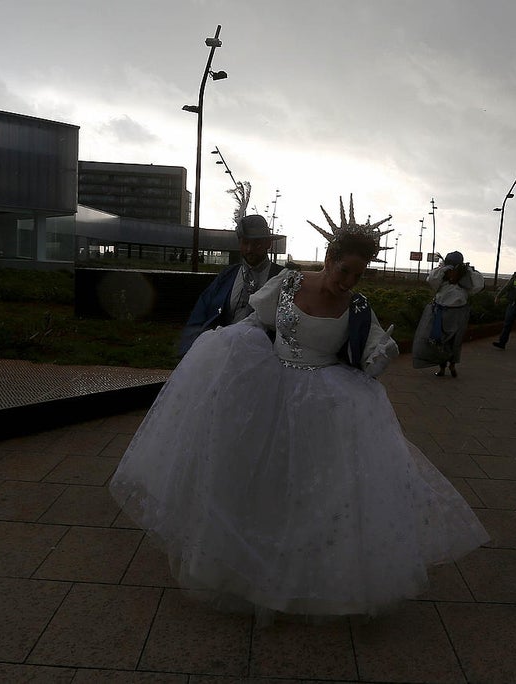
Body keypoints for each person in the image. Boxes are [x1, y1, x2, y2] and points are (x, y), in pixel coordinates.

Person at [110, 196, 489, 622]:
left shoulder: (359, 308)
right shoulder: (289, 283)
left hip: (323, 401)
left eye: (358, 275)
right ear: (328, 258)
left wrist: (380, 355)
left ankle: (301, 575)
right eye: (344, 270)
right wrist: (225, 348)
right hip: (269, 388)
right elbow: (258, 322)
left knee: (308, 489)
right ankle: (241, 565)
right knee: (257, 477)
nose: (348, 281)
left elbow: (369, 354)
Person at [177, 214, 284, 356]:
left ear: (268, 244)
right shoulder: (227, 275)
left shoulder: (283, 278)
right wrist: (190, 348)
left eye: (256, 243)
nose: (249, 249)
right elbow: (200, 311)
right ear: (239, 243)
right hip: (222, 352)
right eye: (245, 243)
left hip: (265, 357)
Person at [412, 251, 485, 377]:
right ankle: (442, 367)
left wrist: (467, 271)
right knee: (440, 340)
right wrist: (444, 270)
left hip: (458, 312)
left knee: (454, 341)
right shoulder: (441, 274)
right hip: (441, 311)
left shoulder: (467, 276)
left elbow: (477, 286)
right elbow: (432, 280)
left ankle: (452, 365)